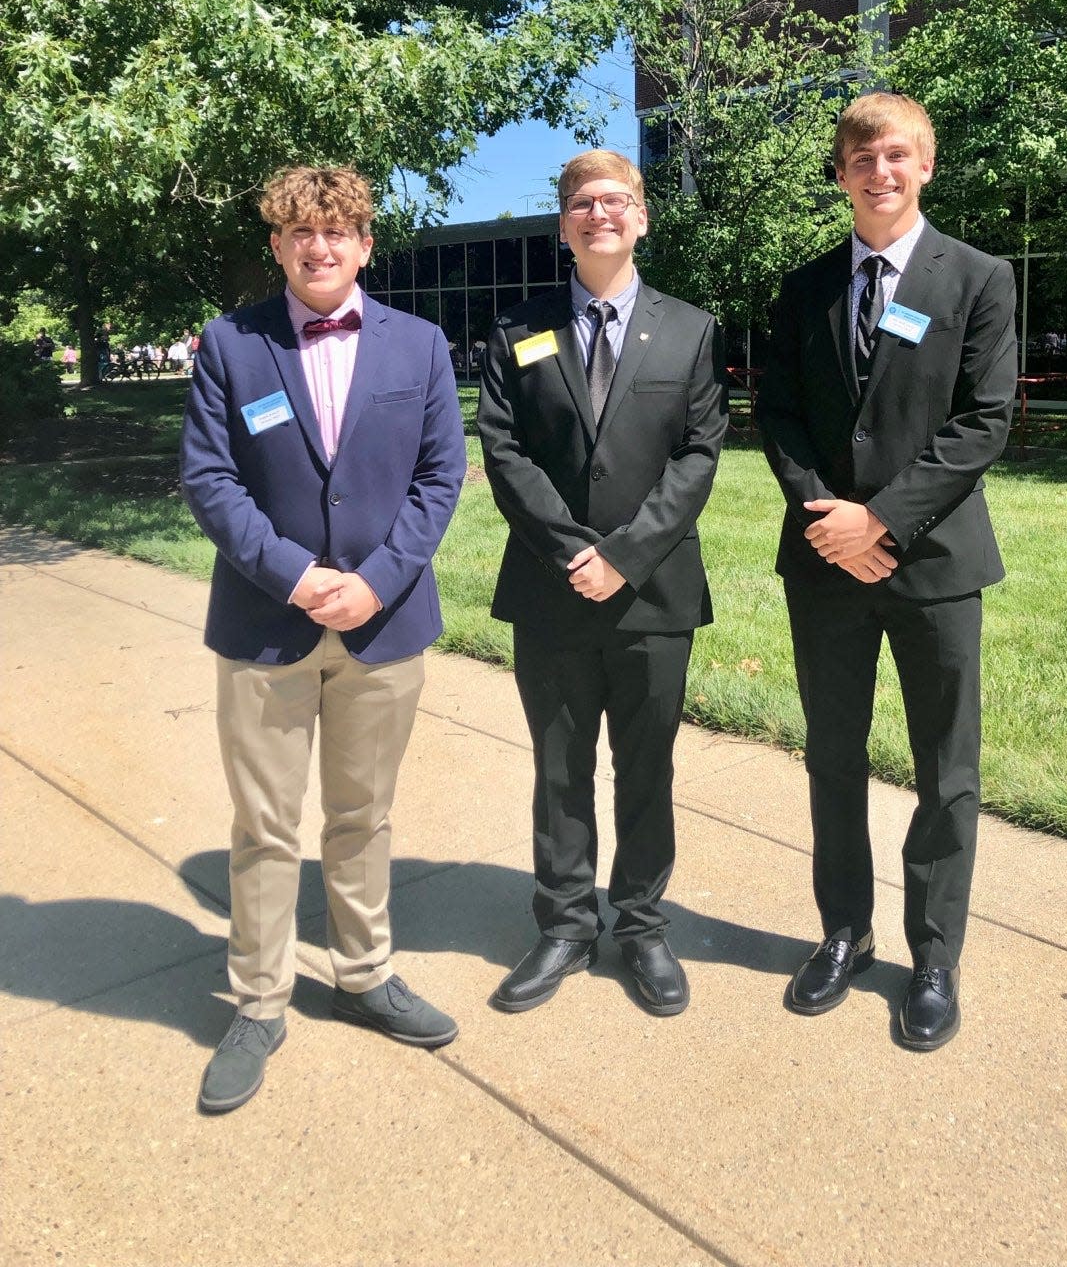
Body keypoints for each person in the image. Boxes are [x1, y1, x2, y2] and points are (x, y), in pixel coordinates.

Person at [180, 165, 466, 1113]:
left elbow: (440, 479)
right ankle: (259, 1003)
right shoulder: (231, 345)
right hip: (266, 624)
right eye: (302, 233)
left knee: (362, 817)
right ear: (278, 245)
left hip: (384, 629)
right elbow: (211, 481)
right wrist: (297, 577)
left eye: (338, 231)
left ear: (365, 244)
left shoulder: (420, 347)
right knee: (264, 827)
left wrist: (376, 580)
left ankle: (364, 975)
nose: (320, 247)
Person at [757, 92, 1017, 1052]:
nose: (880, 171)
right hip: (826, 564)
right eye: (862, 157)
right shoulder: (804, 286)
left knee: (946, 769)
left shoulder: (980, 279)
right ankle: (843, 931)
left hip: (936, 564)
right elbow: (776, 414)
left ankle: (935, 952)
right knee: (833, 754)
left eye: (897, 155)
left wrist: (886, 521)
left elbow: (983, 419)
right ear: (841, 174)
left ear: (926, 166)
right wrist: (831, 517)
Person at [477, 150, 727, 1017]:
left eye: (616, 200)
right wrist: (570, 551)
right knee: (558, 767)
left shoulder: (691, 330)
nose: (600, 214)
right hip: (550, 591)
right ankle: (565, 925)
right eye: (583, 203)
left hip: (654, 593)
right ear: (563, 226)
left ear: (643, 217)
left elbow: (698, 455)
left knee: (646, 767)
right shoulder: (520, 329)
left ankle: (641, 925)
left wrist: (625, 553)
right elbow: (502, 451)